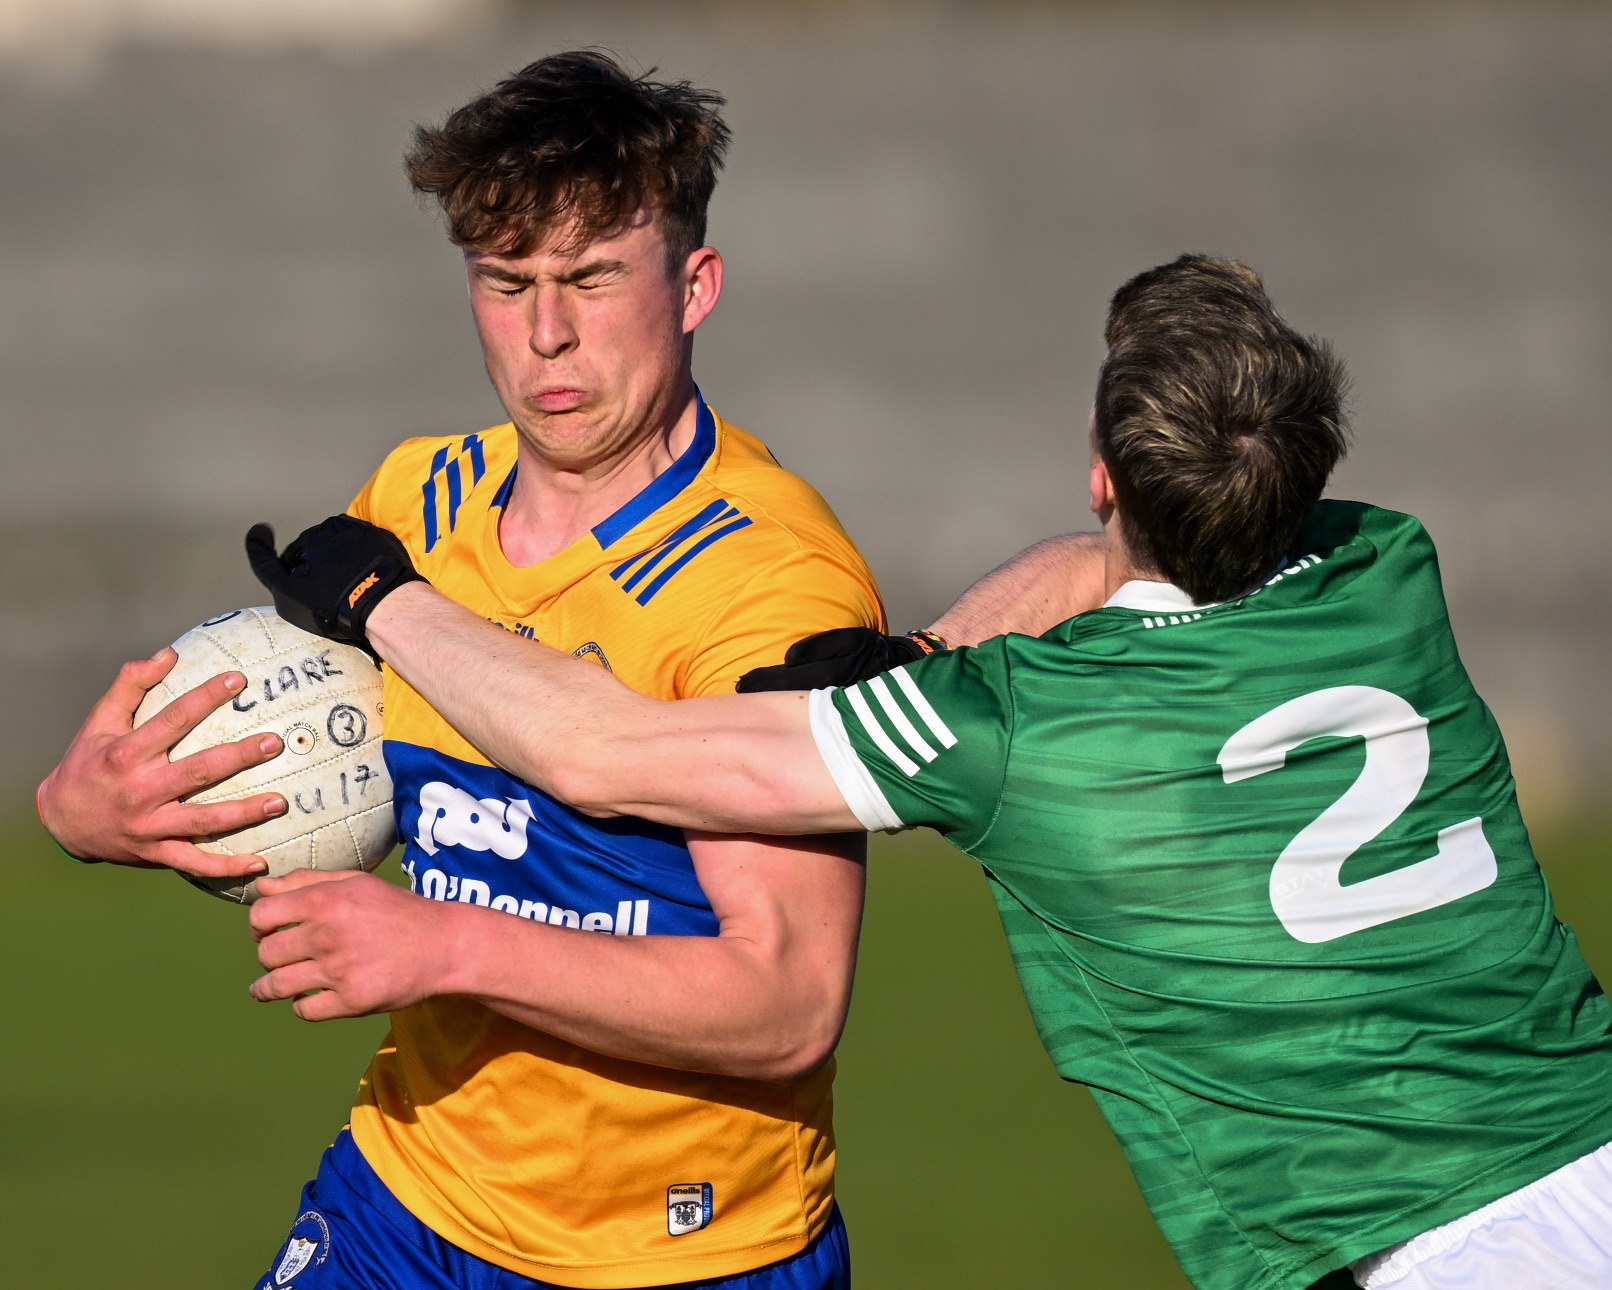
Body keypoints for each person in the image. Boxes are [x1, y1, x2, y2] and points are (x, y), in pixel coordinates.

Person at [250, 255, 1612, 1290]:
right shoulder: (1383, 564)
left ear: (1101, 473)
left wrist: (383, 598)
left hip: (1428, 1251)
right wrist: (920, 651)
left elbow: (599, 752)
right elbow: (1101, 571)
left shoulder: (1010, 735)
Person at [37, 52, 888, 1290]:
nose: (547, 334)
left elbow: (786, 1003)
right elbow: (317, 779)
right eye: (507, 281)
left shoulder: (768, 586)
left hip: (686, 1250)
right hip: (404, 1199)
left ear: (694, 285)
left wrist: (445, 945)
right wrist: (103, 809)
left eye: (591, 278)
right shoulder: (413, 501)